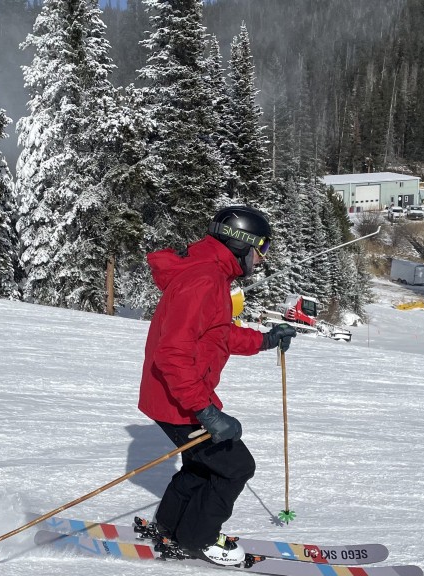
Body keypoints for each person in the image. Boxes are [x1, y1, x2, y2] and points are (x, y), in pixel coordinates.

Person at [138, 205, 297, 566]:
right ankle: (197, 539)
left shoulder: (210, 274)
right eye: (262, 249)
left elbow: (216, 335)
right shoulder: (205, 280)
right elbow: (172, 354)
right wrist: (205, 410)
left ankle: (169, 526)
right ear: (242, 244)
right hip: (180, 398)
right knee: (236, 466)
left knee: (202, 465)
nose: (262, 259)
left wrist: (265, 340)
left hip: (175, 395)